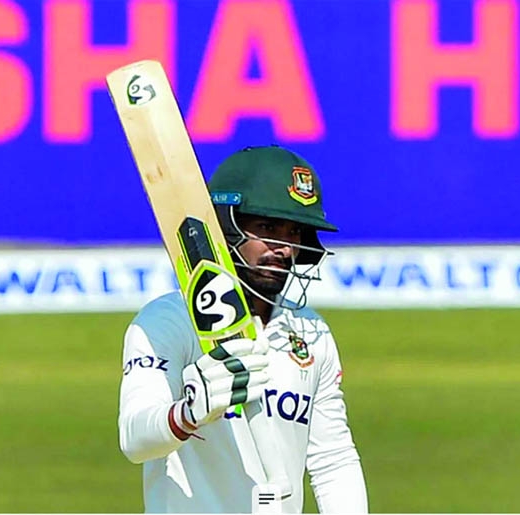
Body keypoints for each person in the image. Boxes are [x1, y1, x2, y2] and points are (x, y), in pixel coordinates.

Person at [118, 145, 368, 513]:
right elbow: (135, 439)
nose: (282, 248)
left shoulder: (310, 332)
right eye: (267, 228)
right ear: (224, 227)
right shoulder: (167, 321)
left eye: (293, 231)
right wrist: (188, 413)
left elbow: (333, 459)